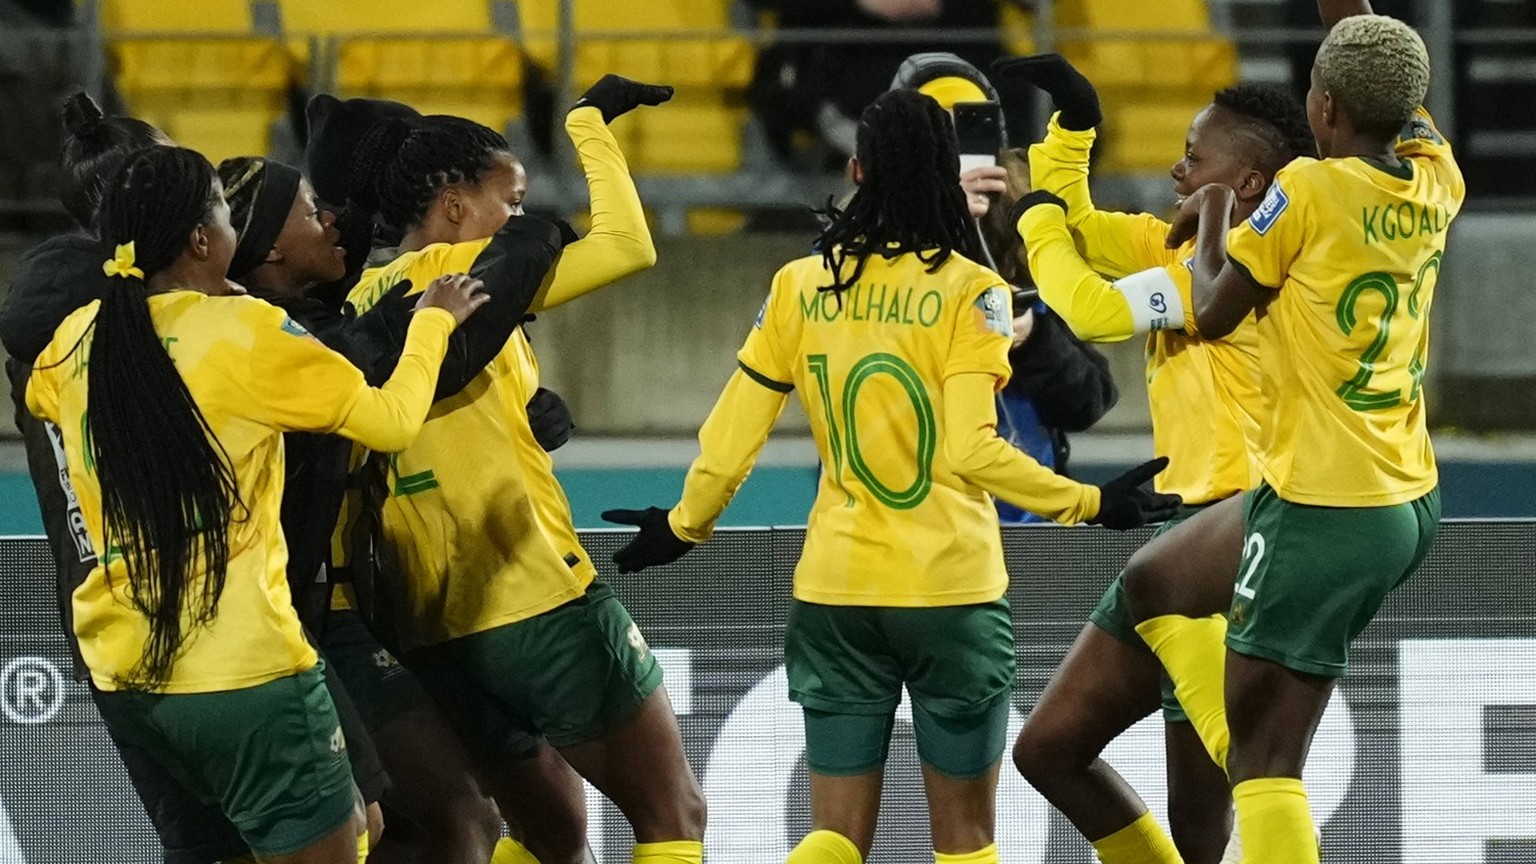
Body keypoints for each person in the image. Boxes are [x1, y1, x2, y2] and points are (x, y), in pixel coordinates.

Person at [600, 88, 1179, 864]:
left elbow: (734, 432)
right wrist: (1092, 501)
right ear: (951, 174)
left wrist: (684, 524)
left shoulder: (800, 286)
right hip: (950, 594)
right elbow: (974, 450)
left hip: (836, 590)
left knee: (833, 838)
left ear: (855, 170)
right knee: (965, 840)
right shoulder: (973, 293)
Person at [24, 144, 483, 863]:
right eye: (220, 210)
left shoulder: (75, 341)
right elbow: (388, 419)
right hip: (244, 665)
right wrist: (433, 323)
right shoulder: (247, 334)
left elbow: (43, 393)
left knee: (350, 828)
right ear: (205, 239)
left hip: (131, 670)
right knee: (347, 840)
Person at [340, 75, 708, 864]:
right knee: (672, 814)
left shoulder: (356, 305)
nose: (515, 218)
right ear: (452, 201)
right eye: (508, 198)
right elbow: (627, 245)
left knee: (551, 836)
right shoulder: (473, 272)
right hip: (537, 597)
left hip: (433, 627)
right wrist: (587, 125)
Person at [1127, 6, 1456, 862]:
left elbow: (1208, 309)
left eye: (1315, 87)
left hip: (1323, 502)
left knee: (1264, 758)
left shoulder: (1308, 190)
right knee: (1156, 578)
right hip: (1399, 493)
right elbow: (1382, 68)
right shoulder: (1435, 177)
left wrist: (1205, 216)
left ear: (1327, 114)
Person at [994, 52, 1318, 863]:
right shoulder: (1185, 240)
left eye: (1194, 156)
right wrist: (1073, 125)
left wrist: (1032, 220)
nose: (1176, 167)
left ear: (1245, 185)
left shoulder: (1248, 265)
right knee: (1055, 752)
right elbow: (1078, 224)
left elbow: (1096, 311)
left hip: (1241, 535)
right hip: (1186, 537)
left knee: (1225, 788)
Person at [218, 154, 566, 864]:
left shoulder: (306, 318)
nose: (335, 221)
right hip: (283, 628)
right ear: (274, 248)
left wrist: (525, 403)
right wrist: (525, 249)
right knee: (442, 819)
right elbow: (385, 394)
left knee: (426, 820)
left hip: (335, 619)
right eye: (314, 212)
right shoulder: (274, 343)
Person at [888, 51, 1119, 522]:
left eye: (967, 127)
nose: (952, 149)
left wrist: (1034, 338)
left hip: (1028, 524)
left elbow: (1090, 399)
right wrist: (937, 220)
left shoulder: (1031, 233)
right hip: (910, 521)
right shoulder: (857, 247)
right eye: (935, 131)